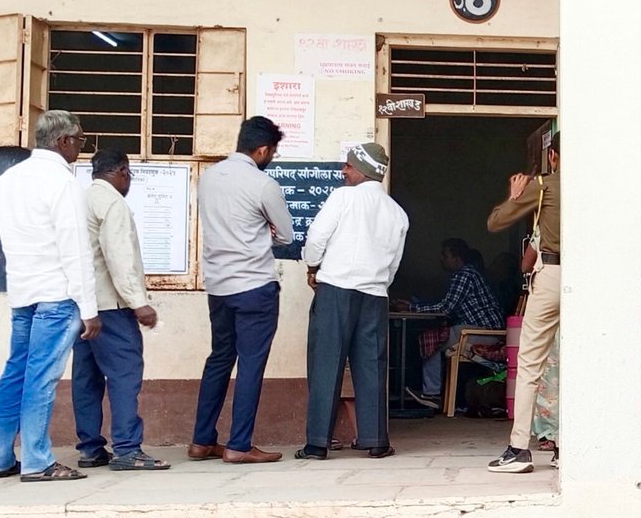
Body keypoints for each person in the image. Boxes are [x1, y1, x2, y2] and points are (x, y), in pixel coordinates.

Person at [0, 110, 101, 482]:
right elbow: (76, 251)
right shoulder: (63, 183)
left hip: (22, 293)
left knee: (16, 373)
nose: (81, 147)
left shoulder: (11, 177)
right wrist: (89, 309)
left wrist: (22, 232)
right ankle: (37, 461)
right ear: (62, 141)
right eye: (80, 140)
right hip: (57, 296)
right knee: (41, 378)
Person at [190, 116, 293, 465]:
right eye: (272, 152)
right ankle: (239, 445)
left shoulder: (209, 177)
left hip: (218, 287)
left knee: (219, 358)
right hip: (254, 286)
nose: (271, 158)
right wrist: (263, 232)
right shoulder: (263, 185)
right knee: (250, 364)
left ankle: (201, 441)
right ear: (262, 150)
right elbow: (286, 235)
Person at [296, 142, 408, 461]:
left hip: (336, 290)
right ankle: (376, 440)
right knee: (372, 365)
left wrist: (313, 267)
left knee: (326, 363)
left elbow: (316, 238)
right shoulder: (397, 213)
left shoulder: (343, 197)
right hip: (375, 296)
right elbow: (394, 264)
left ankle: (317, 444)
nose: (344, 171)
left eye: (348, 166)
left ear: (363, 170)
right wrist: (378, 284)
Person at [73, 148, 168, 471]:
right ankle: (127, 448)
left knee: (86, 378)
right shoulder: (113, 204)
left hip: (83, 305)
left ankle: (90, 448)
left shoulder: (82, 199)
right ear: (123, 171)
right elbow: (119, 257)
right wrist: (139, 303)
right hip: (111, 307)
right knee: (125, 375)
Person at [486, 135, 561, 473]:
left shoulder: (544, 185)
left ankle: (518, 449)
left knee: (530, 364)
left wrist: (515, 195)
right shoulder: (599, 186)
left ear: (552, 156)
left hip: (552, 275)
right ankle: (568, 446)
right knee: (577, 363)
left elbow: (496, 222)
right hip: (591, 278)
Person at [403, 238, 505, 411]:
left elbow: (446, 308)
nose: (441, 259)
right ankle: (433, 391)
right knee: (434, 336)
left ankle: (432, 393)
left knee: (431, 338)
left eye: (445, 255)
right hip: (478, 331)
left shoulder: (465, 275)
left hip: (485, 333)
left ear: (457, 257)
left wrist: (411, 308)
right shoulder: (466, 274)